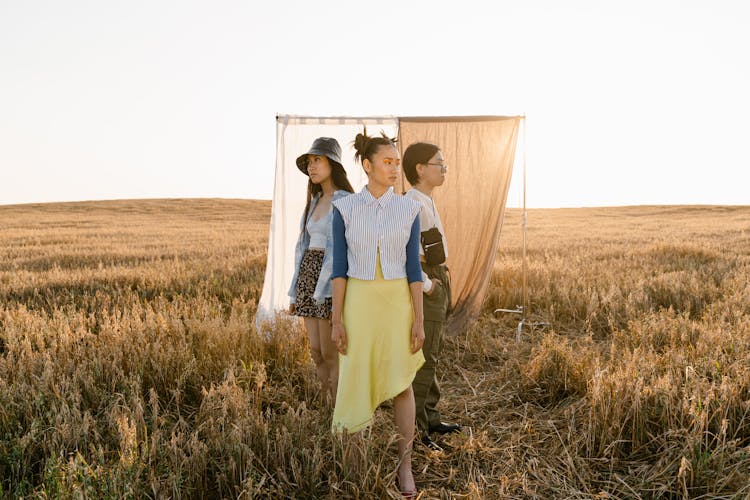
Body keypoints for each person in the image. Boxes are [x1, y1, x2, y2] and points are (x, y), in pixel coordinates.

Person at [330, 129, 425, 497]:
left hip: (397, 306)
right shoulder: (345, 208)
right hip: (359, 307)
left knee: (402, 386)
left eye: (397, 162)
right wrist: (337, 319)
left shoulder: (410, 208)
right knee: (355, 384)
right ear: (367, 166)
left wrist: (418, 318)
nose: (394, 168)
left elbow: (414, 271)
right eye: (387, 162)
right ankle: (355, 466)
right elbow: (339, 268)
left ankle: (405, 468)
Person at [403, 142, 461, 451]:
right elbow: (404, 256)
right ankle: (418, 431)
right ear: (420, 169)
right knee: (424, 358)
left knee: (434, 352)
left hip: (439, 277)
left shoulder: (426, 200)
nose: (444, 168)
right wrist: (429, 286)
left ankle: (431, 417)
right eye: (439, 163)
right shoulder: (412, 203)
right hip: (429, 282)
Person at [288, 137, 354, 404]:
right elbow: (300, 247)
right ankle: (325, 404)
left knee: (330, 351)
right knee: (315, 350)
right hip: (307, 275)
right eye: (310, 162)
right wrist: (294, 293)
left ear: (333, 163)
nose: (312, 167)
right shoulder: (313, 201)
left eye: (317, 160)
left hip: (330, 278)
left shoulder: (348, 200)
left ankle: (339, 411)